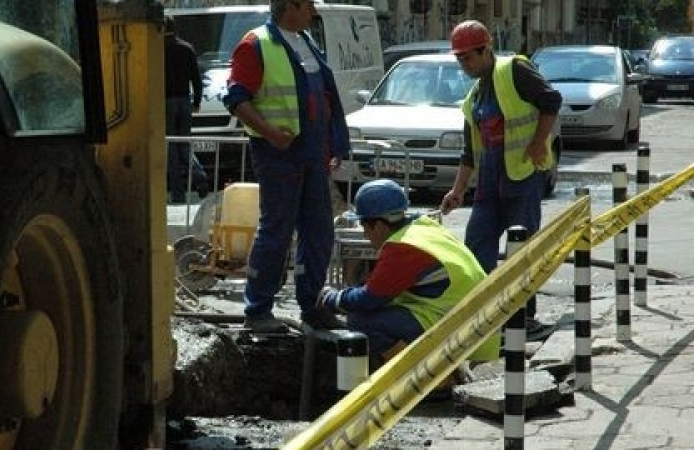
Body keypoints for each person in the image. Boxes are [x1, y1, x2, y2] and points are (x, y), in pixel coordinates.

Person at [222, 0, 351, 333]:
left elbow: (325, 97)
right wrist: (270, 134)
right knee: (276, 230)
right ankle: (258, 310)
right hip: (279, 154)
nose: (313, 12)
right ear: (290, 7)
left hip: (311, 154)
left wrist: (334, 145)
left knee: (319, 231)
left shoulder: (305, 41)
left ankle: (312, 304)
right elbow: (236, 98)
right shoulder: (256, 44)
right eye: (308, 5)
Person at [439, 20, 561, 340]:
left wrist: (538, 142)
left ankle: (524, 320)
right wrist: (457, 190)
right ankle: (483, 317)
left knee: (522, 253)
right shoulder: (474, 98)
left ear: (486, 50)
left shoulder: (514, 71)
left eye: (468, 58)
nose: (464, 65)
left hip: (522, 178)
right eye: (460, 59)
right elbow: (470, 152)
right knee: (477, 247)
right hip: (489, 186)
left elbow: (551, 100)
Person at [316, 179, 500, 366]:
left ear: (378, 225)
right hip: (477, 325)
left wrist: (330, 298)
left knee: (361, 321)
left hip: (468, 336)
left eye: (364, 226)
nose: (365, 234)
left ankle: (432, 380)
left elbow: (368, 299)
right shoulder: (423, 227)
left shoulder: (403, 247)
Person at [164, 15, 208, 204]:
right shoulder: (187, 48)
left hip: (165, 103)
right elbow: (196, 79)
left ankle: (178, 193)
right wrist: (196, 101)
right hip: (184, 101)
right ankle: (199, 176)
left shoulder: (157, 50)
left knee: (171, 148)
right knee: (184, 144)